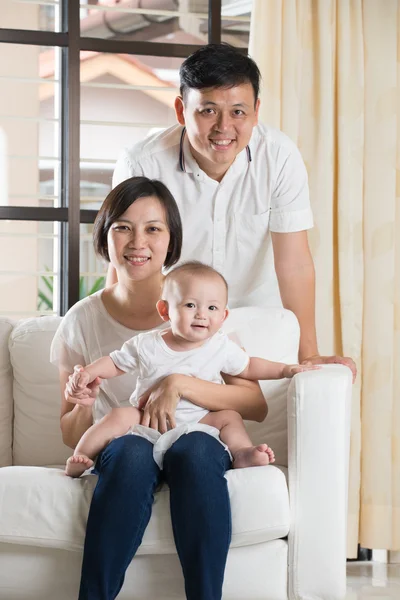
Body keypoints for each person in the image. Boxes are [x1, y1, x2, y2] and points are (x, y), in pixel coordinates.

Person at [53, 176, 267, 600]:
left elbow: (254, 403)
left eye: (153, 228)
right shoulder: (80, 319)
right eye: (123, 227)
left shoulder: (200, 305)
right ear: (105, 235)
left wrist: (179, 384)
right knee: (130, 455)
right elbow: (69, 431)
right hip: (128, 440)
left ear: (171, 240)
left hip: (194, 437)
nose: (138, 242)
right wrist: (84, 403)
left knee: (197, 450)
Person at [109, 43, 357, 382]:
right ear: (182, 111)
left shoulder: (279, 156)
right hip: (172, 326)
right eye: (208, 111)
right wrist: (110, 337)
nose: (224, 128)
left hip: (257, 324)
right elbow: (125, 258)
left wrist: (309, 354)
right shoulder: (141, 162)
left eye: (238, 112)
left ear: (256, 111)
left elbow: (294, 263)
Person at [65, 261, 320, 479]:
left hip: (200, 421)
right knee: (117, 416)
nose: (201, 315)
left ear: (223, 316)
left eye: (212, 308)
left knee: (229, 416)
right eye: (190, 306)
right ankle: (81, 457)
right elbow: (114, 362)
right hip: (147, 419)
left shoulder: (221, 346)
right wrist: (87, 373)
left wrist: (286, 369)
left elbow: (250, 366)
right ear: (165, 310)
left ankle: (242, 453)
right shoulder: (147, 344)